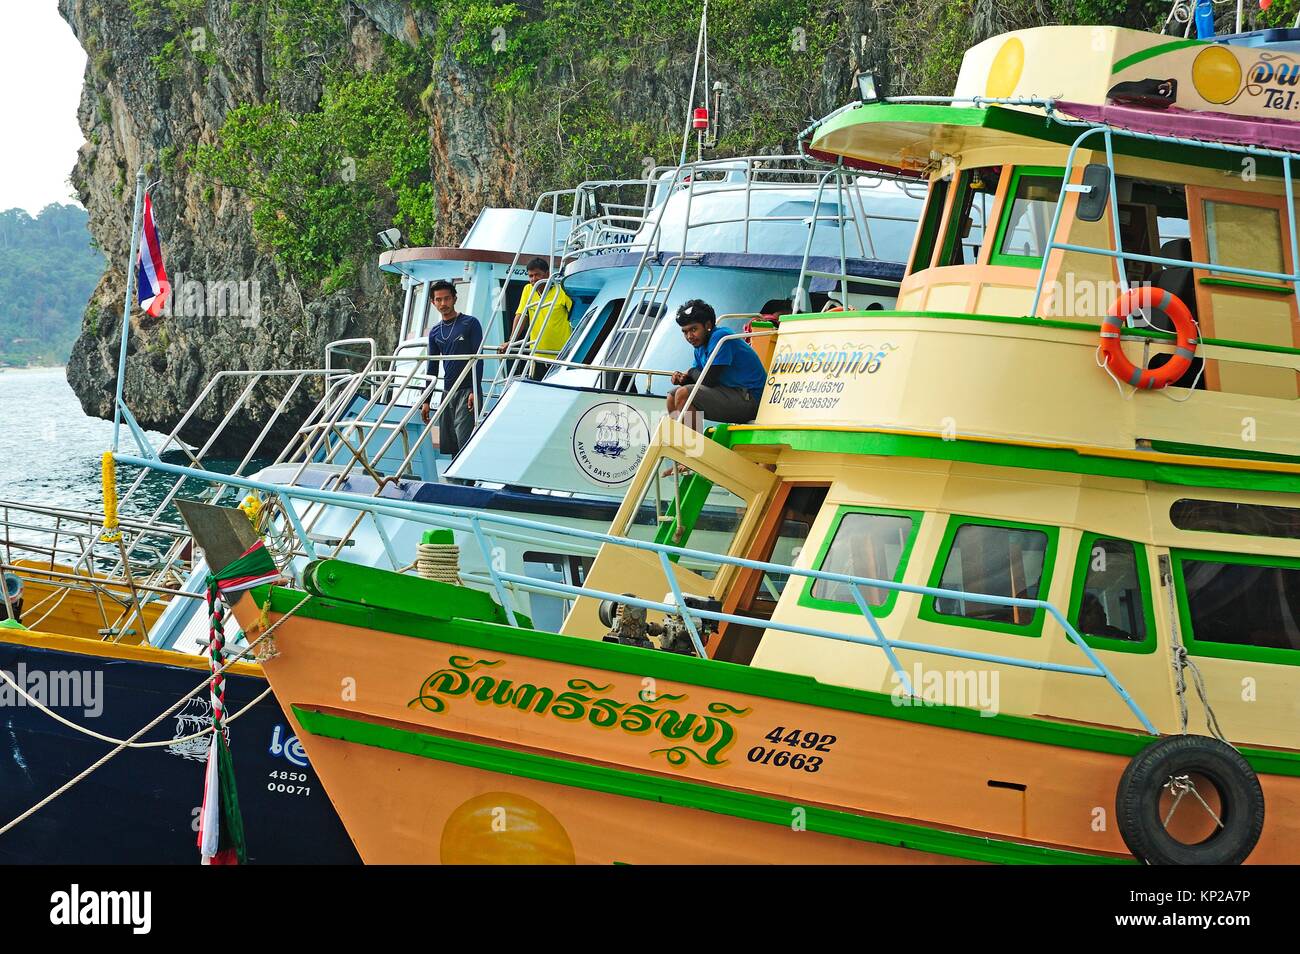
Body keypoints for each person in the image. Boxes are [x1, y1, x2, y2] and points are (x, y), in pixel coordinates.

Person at [665, 299, 768, 432]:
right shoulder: (699, 346)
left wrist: (690, 372)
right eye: (685, 332)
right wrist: (683, 379)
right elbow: (700, 381)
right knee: (672, 396)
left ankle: (693, 447)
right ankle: (680, 444)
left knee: (684, 394)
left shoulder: (721, 337)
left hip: (751, 399)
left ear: (708, 325)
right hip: (731, 393)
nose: (689, 336)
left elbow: (708, 380)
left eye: (694, 329)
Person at [420, 280, 484, 460]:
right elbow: (432, 366)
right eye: (438, 300)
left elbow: (477, 358)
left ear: (455, 299)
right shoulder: (435, 332)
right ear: (433, 303)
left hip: (467, 391)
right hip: (447, 393)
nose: (443, 304)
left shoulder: (470, 323)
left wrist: (474, 389)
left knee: (465, 440)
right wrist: (426, 400)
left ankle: (467, 482)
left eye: (447, 299)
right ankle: (458, 484)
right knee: (451, 442)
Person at [500, 257, 572, 380]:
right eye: (530, 276)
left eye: (537, 275)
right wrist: (511, 341)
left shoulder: (562, 290)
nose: (533, 279)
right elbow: (521, 316)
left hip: (560, 356)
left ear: (547, 274)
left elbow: (576, 319)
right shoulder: (528, 290)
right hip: (536, 356)